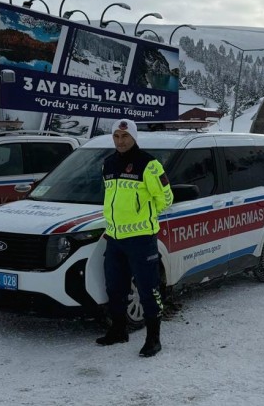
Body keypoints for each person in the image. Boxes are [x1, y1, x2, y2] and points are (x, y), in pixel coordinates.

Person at [96, 119, 173, 357]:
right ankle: (119, 331)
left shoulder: (148, 164)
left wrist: (145, 215)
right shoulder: (107, 164)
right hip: (115, 238)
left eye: (125, 136)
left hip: (141, 239)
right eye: (117, 137)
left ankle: (153, 338)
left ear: (134, 137)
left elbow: (166, 199)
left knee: (148, 290)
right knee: (115, 288)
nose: (120, 141)